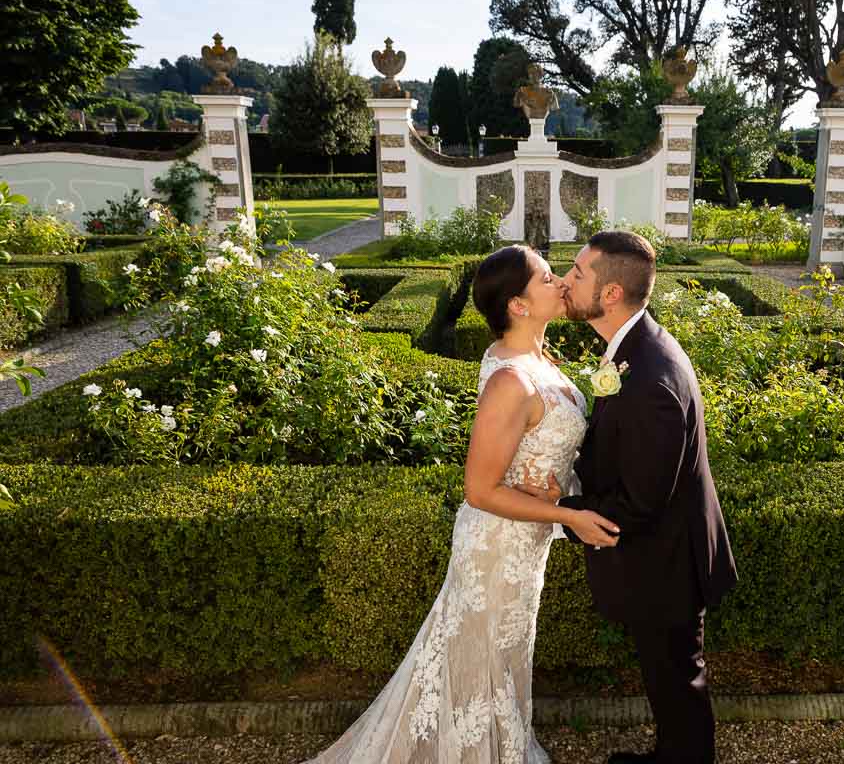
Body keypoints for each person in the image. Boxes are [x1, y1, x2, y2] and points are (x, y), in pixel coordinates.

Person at [303, 244, 619, 764]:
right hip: (496, 545)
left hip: (524, 543)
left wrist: (566, 492)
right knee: (484, 653)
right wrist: (569, 515)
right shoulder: (509, 380)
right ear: (517, 305)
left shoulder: (536, 357)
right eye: (546, 279)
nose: (561, 282)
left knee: (505, 654)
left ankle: (497, 747)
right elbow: (480, 490)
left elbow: (543, 452)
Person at [521, 230, 738, 764]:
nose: (565, 282)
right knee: (669, 680)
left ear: (611, 294)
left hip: (667, 564)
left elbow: (641, 504)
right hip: (663, 556)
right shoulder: (633, 351)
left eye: (577, 273)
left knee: (678, 684)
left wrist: (561, 510)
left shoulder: (648, 379)